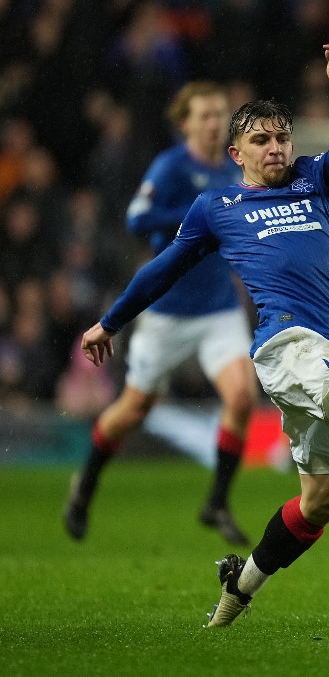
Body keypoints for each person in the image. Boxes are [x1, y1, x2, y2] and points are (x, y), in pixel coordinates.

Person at [78, 41, 329, 629]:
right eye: (262, 141)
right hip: (286, 347)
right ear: (235, 151)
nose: (276, 149)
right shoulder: (217, 206)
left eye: (282, 138)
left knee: (321, 503)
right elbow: (162, 268)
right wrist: (109, 321)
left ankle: (237, 589)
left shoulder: (315, 180)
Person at [63, 81, 258, 546]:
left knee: (242, 397)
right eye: (205, 116)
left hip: (217, 310)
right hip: (167, 313)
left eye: (219, 115)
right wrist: (192, 215)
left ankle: (216, 502)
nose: (214, 123)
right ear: (185, 124)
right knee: (133, 409)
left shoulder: (235, 170)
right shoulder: (171, 167)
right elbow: (136, 219)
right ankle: (84, 487)